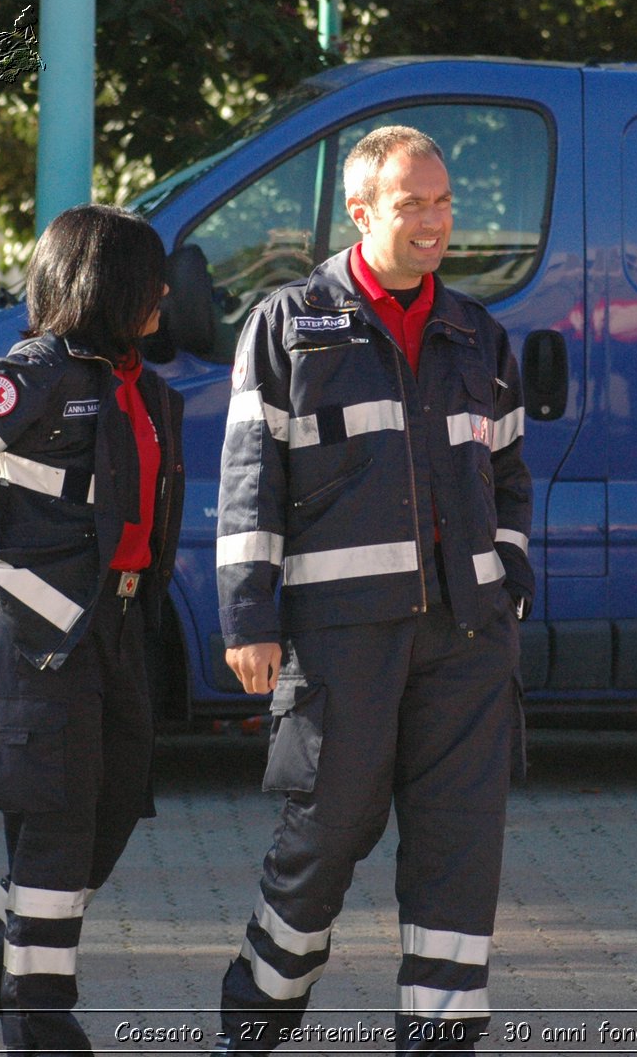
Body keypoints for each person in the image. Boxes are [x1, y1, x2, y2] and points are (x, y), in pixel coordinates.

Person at [208, 125, 533, 1054]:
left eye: (443, 204)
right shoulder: (288, 325)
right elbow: (248, 482)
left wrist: (509, 578)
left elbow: (509, 474)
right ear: (361, 212)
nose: (434, 223)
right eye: (411, 206)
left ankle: (438, 1041)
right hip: (343, 637)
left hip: (467, 641)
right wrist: (249, 618)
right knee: (325, 841)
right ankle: (256, 1024)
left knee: (459, 855)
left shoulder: (479, 331)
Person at [0, 204, 185, 1057]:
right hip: (40, 641)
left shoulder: (141, 383)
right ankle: (40, 1019)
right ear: (109, 286)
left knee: (110, 815)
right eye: (150, 278)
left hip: (119, 632)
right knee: (57, 829)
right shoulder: (36, 374)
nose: (167, 292)